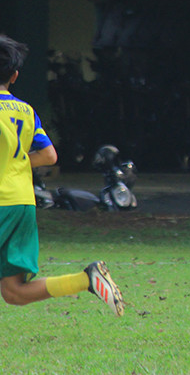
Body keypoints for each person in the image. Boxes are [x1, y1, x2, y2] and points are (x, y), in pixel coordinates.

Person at [0, 34, 124, 315]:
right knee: (13, 292)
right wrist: (15, 161)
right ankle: (86, 279)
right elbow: (49, 156)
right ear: (15, 76)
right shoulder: (26, 111)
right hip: (22, 204)